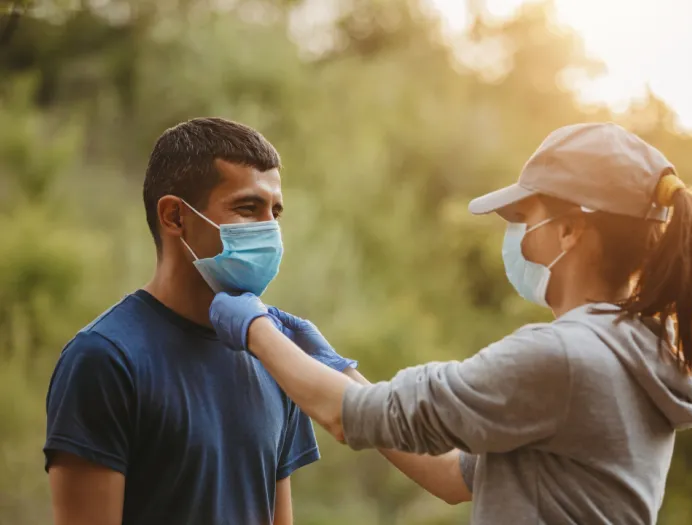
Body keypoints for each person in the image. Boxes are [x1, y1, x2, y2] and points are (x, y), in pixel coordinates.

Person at [208, 122, 692, 525]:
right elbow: (452, 476)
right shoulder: (640, 353)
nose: (520, 241)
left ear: (571, 228)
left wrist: (258, 331)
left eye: (527, 221)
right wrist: (335, 366)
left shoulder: (565, 358)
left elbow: (352, 418)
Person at [45, 117, 472, 525]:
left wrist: (335, 368)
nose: (270, 229)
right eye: (248, 208)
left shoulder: (276, 358)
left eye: (276, 212)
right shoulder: (105, 359)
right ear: (175, 216)